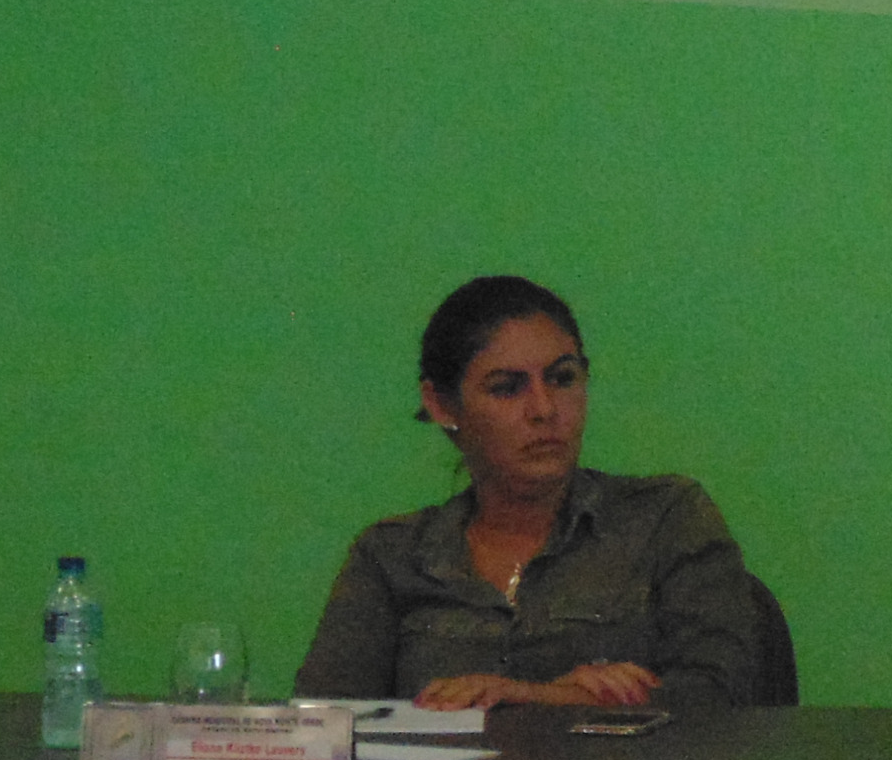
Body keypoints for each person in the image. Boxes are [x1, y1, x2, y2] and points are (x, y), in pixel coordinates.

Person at [294, 275, 766, 711]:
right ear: (441, 405)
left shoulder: (665, 518)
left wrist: (535, 697)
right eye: (507, 388)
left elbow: (719, 695)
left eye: (563, 379)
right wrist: (569, 695)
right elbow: (322, 725)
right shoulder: (392, 556)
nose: (544, 409)